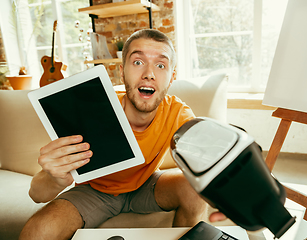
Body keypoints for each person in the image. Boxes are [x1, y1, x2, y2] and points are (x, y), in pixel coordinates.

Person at [19, 29, 208, 240]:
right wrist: (55, 177)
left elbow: (204, 159)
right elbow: (36, 194)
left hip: (146, 185)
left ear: (171, 77)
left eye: (160, 65)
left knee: (196, 189)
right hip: (94, 191)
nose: (149, 73)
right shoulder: (93, 109)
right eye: (138, 62)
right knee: (38, 231)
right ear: (122, 71)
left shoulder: (178, 113)